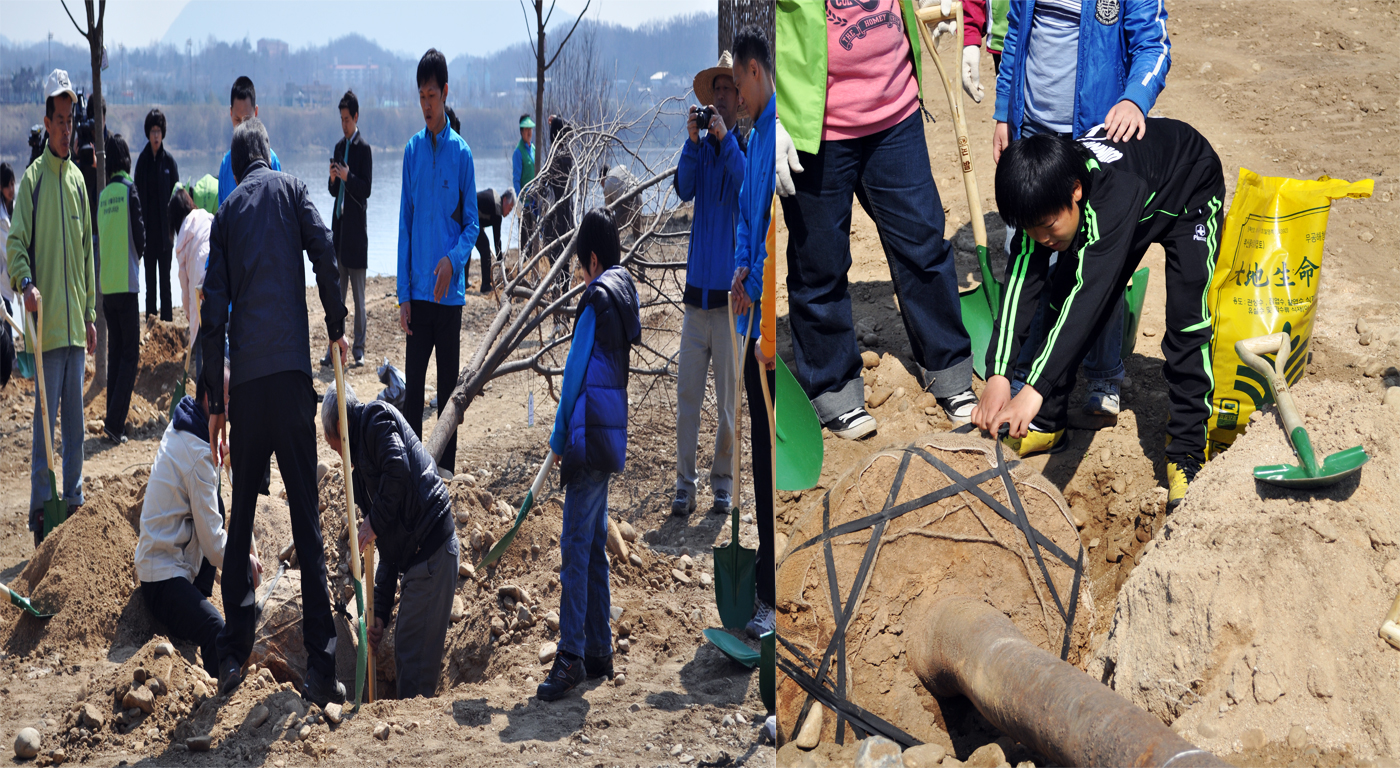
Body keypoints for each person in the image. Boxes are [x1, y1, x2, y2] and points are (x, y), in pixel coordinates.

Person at [971, 120, 1224, 511]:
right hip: (1132, 201)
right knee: (1056, 293)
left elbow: (1087, 302)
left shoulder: (1111, 194)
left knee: (1187, 321)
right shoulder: (1042, 197)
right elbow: (1022, 279)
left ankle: (1187, 453)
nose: (1042, 239)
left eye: (1049, 227)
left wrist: (1031, 390)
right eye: (1030, 230)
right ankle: (1049, 423)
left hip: (1188, 188)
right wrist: (1000, 373)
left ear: (1075, 192)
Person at [775, 0, 979, 441]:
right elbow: (742, 18)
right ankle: (833, 389)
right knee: (820, 265)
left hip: (895, 110)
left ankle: (949, 371)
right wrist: (764, 115)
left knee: (924, 245)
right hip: (815, 127)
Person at [200, 117, 349, 706]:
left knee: (239, 520)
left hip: (251, 393)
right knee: (307, 525)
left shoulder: (228, 213)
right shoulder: (291, 189)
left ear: (236, 169)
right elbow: (325, 251)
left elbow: (213, 311)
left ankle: (234, 652)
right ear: (269, 155)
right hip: (291, 381)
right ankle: (321, 670)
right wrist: (336, 325)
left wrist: (215, 398)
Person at [991, 0, 1173, 419]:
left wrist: (1134, 97)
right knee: (1032, 261)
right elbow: (1016, 34)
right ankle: (1026, 376)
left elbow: (1153, 42)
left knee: (1097, 262)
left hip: (1098, 133)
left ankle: (1104, 373)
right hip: (1034, 133)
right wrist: (1005, 111)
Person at [537, 208, 640, 702]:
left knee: (575, 548)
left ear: (593, 260)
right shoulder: (623, 297)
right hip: (609, 434)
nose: (580, 275)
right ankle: (599, 648)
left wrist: (558, 440)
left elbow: (575, 373)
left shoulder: (596, 300)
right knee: (594, 544)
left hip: (585, 436)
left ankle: (571, 656)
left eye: (581, 266)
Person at [321, 381, 460, 699]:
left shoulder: (376, 420)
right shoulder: (361, 474)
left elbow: (398, 467)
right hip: (417, 559)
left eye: (334, 446)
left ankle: (414, 741)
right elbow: (385, 548)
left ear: (342, 424)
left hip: (432, 551)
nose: (339, 456)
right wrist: (380, 613)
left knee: (412, 654)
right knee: (407, 651)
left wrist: (372, 522)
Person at [7, 70, 97, 548]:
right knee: (45, 426)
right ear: (46, 122)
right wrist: (25, 284)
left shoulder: (79, 182)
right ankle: (43, 511)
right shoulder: (34, 181)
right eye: (59, 120)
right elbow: (16, 244)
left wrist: (89, 315)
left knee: (75, 426)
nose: (66, 129)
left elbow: (86, 255)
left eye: (70, 121)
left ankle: (75, 500)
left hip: (75, 330)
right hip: (45, 329)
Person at [136, 359, 256, 680]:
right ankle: (224, 687)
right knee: (216, 629)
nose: (232, 408)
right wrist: (245, 560)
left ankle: (195, 601)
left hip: (172, 559)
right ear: (210, 398)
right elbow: (216, 548)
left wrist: (226, 457)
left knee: (214, 503)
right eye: (228, 400)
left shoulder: (189, 421)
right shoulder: (197, 451)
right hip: (161, 577)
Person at [670, 51, 747, 519]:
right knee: (686, 399)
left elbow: (745, 188)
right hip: (696, 298)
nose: (719, 99)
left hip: (729, 301)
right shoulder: (702, 148)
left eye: (727, 92)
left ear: (739, 99)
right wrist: (693, 141)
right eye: (714, 92)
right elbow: (682, 187)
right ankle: (684, 485)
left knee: (727, 406)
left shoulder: (743, 148)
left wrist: (724, 141)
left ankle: (722, 483)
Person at [397, 48, 478, 476]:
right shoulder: (411, 152)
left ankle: (445, 472)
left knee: (448, 390)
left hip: (449, 298)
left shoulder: (461, 155)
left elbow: (472, 226)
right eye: (421, 96)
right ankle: (412, 470)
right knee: (413, 394)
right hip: (418, 295)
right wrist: (403, 295)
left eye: (432, 94)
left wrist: (452, 260)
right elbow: (405, 226)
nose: (426, 104)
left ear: (445, 93)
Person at [730, 26, 779, 639]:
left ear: (755, 71)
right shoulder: (751, 134)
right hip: (747, 316)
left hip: (768, 329)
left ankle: (771, 597)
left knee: (769, 457)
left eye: (737, 81)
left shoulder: (776, 133)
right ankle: (764, 588)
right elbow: (749, 221)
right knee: (759, 451)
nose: (735, 94)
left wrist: (760, 280)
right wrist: (740, 269)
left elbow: (774, 223)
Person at [97, 133, 146, 445]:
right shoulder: (130, 190)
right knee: (130, 355)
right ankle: (115, 424)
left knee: (116, 355)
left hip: (106, 287)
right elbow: (140, 236)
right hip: (126, 285)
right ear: (126, 160)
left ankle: (110, 422)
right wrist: (136, 257)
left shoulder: (103, 195)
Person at [324, 89, 373, 368]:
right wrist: (333, 179)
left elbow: (365, 189)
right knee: (337, 296)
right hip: (339, 232)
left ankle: (358, 348)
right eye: (341, 119)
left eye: (347, 119)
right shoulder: (338, 147)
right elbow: (333, 193)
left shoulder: (363, 149)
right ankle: (335, 346)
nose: (344, 124)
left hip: (357, 235)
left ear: (356, 117)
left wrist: (347, 176)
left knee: (359, 298)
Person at [135, 108, 179, 322]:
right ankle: (152, 327)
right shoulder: (142, 162)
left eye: (158, 131)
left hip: (166, 236)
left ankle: (168, 324)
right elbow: (136, 202)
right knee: (150, 285)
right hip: (147, 236)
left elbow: (178, 199)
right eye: (152, 131)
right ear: (148, 133)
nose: (155, 135)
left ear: (163, 133)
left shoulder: (169, 162)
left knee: (166, 285)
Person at [218, 77, 282, 205]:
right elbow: (222, 216)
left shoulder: (271, 161)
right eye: (237, 120)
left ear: (256, 112)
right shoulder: (226, 165)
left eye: (247, 120)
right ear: (230, 113)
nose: (242, 128)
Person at [169, 187, 212, 378]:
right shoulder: (206, 216)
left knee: (202, 342)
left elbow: (184, 284)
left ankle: (204, 396)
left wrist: (188, 312)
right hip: (220, 281)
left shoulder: (182, 242)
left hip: (200, 290)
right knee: (223, 338)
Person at [475, 187, 515, 293]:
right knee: (485, 248)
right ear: (505, 199)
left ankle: (464, 282)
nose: (509, 212)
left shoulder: (495, 200)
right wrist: (501, 263)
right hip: (468, 214)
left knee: (469, 247)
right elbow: (497, 241)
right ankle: (485, 286)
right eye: (510, 209)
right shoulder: (497, 209)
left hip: (470, 215)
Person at [512, 115, 538, 256]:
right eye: (526, 130)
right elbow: (516, 179)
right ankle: (525, 268)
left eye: (531, 129)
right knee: (525, 238)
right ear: (521, 132)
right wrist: (519, 200)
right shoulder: (518, 152)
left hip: (535, 201)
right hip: (525, 202)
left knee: (535, 236)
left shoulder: (533, 149)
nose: (529, 132)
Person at [0, 162, 15, 389]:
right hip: (3, 284)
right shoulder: (2, 215)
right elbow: (7, 248)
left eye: (13, 183)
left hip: (7, 284)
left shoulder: (8, 210)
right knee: (7, 322)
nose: (12, 188)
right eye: (8, 184)